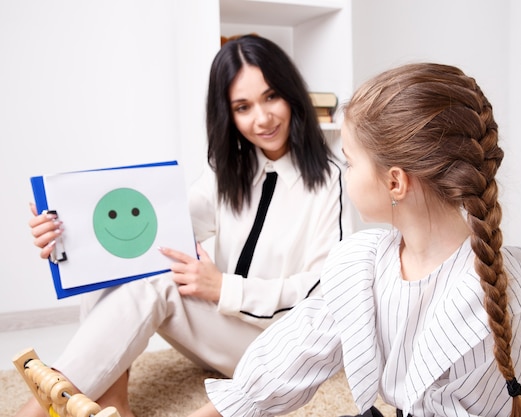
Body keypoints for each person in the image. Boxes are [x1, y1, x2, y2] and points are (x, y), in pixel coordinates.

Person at [187, 63, 521, 417]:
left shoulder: (500, 292)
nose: (343, 173)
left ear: (395, 181)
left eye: (349, 161)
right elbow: (299, 348)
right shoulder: (364, 263)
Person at [18, 34, 351, 417]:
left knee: (157, 280)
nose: (262, 118)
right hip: (222, 331)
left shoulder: (332, 181)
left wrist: (224, 287)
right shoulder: (230, 174)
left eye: (271, 96)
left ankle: (39, 407)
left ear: (292, 95)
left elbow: (324, 289)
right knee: (119, 261)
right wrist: (63, 233)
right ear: (229, 114)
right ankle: (113, 402)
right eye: (243, 107)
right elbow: (150, 230)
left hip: (280, 348)